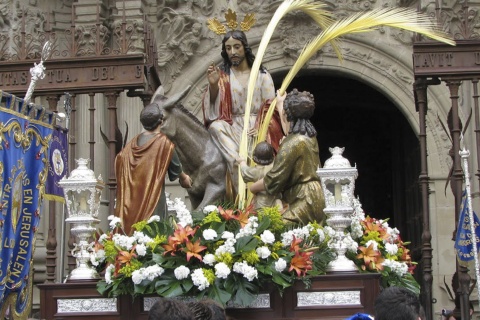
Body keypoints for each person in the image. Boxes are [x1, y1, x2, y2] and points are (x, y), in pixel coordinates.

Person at [202, 29, 284, 190]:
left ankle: (255, 184)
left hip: (257, 127)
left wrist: (261, 125)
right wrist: (213, 86)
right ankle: (238, 165)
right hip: (232, 126)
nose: (232, 52)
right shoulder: (223, 76)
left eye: (237, 47)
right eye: (228, 48)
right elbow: (212, 110)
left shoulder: (262, 75)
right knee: (216, 126)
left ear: (245, 48)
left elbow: (270, 107)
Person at [115, 102, 192, 235]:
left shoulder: (129, 147)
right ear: (161, 121)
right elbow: (178, 172)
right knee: (156, 238)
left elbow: (119, 161)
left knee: (132, 243)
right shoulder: (164, 143)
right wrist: (185, 178)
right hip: (152, 202)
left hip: (130, 207)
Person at [250, 89, 325, 225]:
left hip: (304, 199)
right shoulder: (309, 136)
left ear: (287, 114)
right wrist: (280, 103)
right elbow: (289, 130)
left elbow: (275, 179)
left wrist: (252, 188)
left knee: (274, 228)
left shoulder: (293, 143)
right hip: (316, 195)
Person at [236, 141, 281, 210]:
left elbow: (245, 173)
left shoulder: (257, 171)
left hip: (261, 202)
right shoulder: (275, 167)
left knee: (260, 217)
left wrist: (242, 162)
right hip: (275, 199)